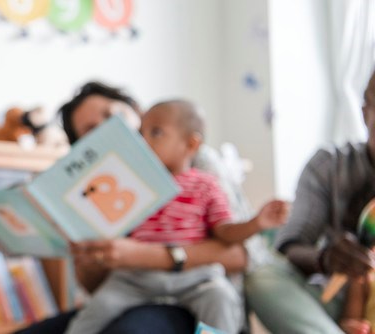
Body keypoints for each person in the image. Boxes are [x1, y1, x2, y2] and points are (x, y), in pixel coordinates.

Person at [16, 81, 250, 334]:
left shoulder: (196, 161)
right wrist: (89, 257)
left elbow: (239, 255)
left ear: (134, 110)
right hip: (130, 290)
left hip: (194, 295)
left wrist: (145, 256)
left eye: (110, 113)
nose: (108, 127)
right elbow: (99, 289)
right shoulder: (95, 183)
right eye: (91, 129)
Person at [64, 100, 289, 334]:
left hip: (195, 278)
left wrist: (256, 223)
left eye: (156, 133)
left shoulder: (206, 183)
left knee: (220, 298)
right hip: (135, 279)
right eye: (142, 133)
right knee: (95, 311)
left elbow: (226, 232)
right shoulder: (133, 184)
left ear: (191, 143)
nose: (144, 141)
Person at [244, 69, 375, 334]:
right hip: (333, 301)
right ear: (365, 112)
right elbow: (291, 245)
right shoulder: (330, 165)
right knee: (263, 277)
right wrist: (327, 259)